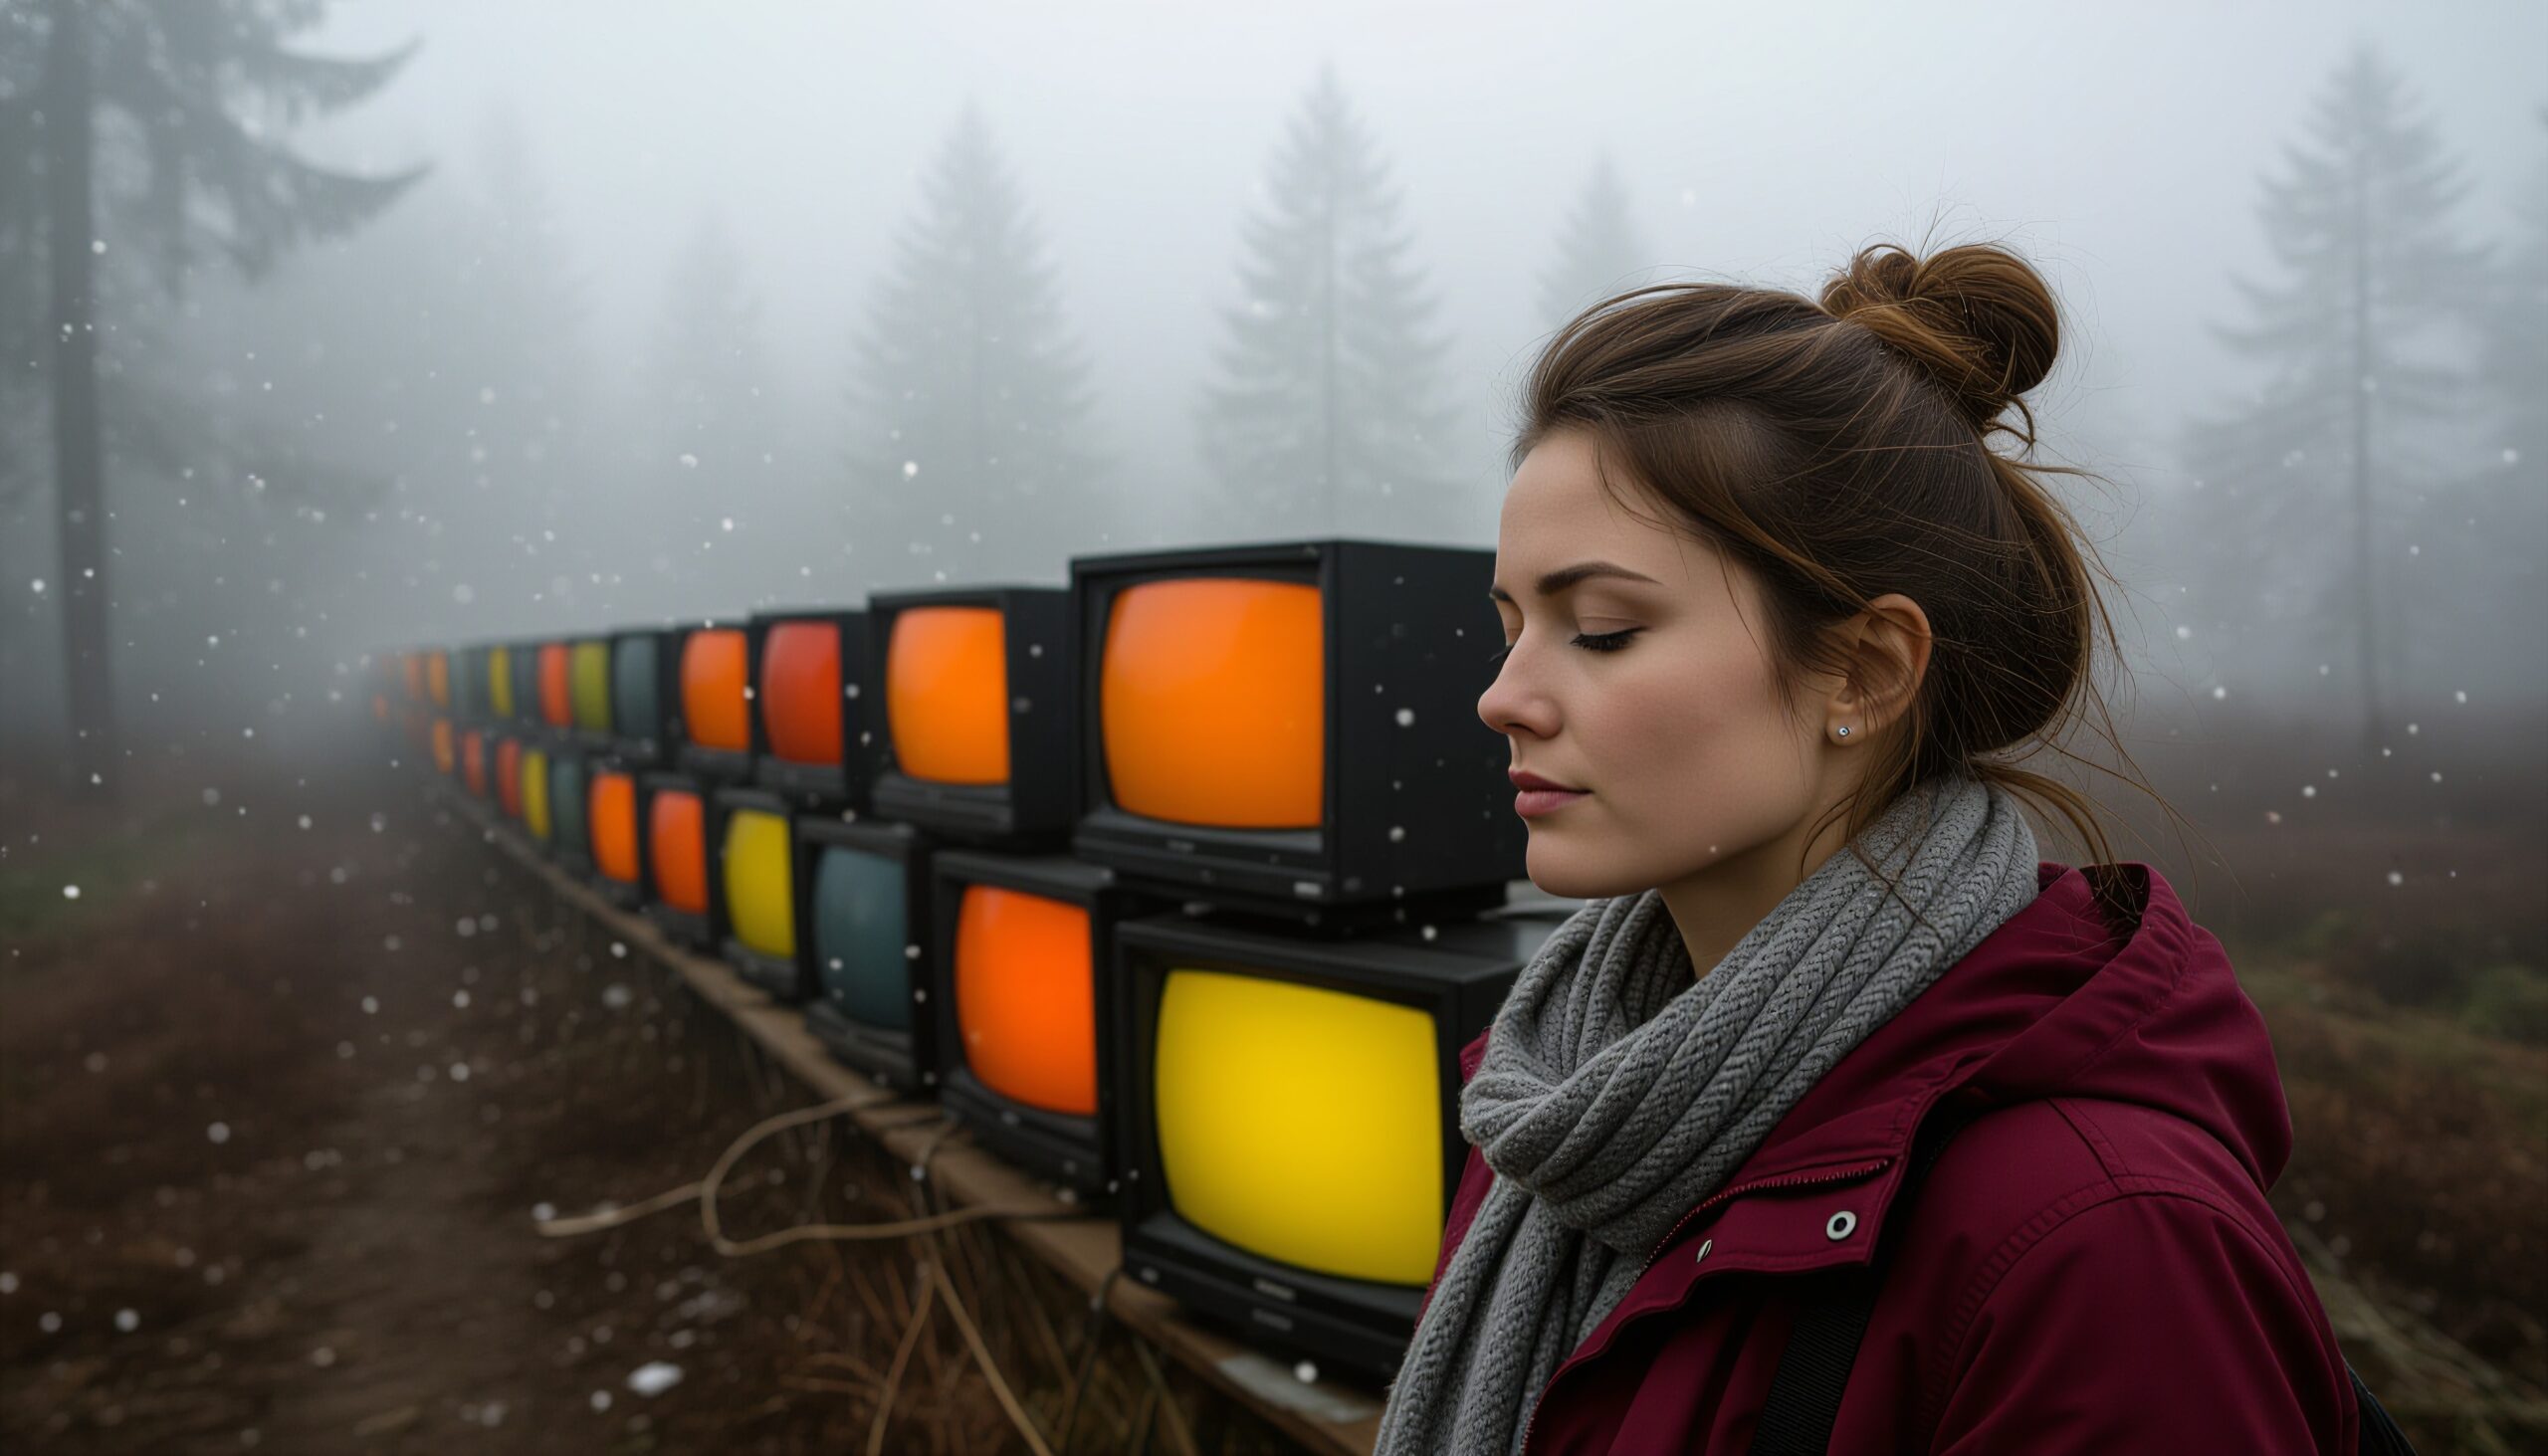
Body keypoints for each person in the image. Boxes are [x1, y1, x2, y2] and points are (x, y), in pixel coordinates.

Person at [1372, 241, 2361, 1453]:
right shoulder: (1556, 1109)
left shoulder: (2098, 1244)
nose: (1502, 697)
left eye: (1604, 628)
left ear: (1866, 672)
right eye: (1511, 626)